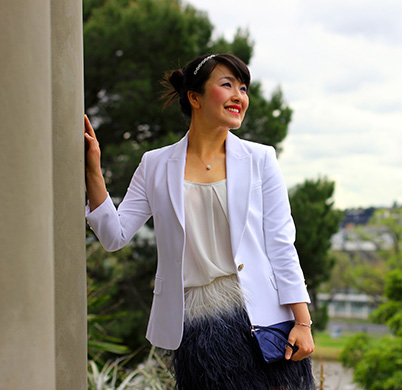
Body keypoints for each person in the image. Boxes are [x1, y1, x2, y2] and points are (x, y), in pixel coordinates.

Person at [84, 53, 315, 389]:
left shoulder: (260, 159)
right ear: (194, 98)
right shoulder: (155, 164)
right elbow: (113, 236)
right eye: (227, 85)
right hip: (198, 327)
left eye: (244, 88)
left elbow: (280, 244)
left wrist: (303, 322)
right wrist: (93, 168)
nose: (239, 96)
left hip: (262, 322)